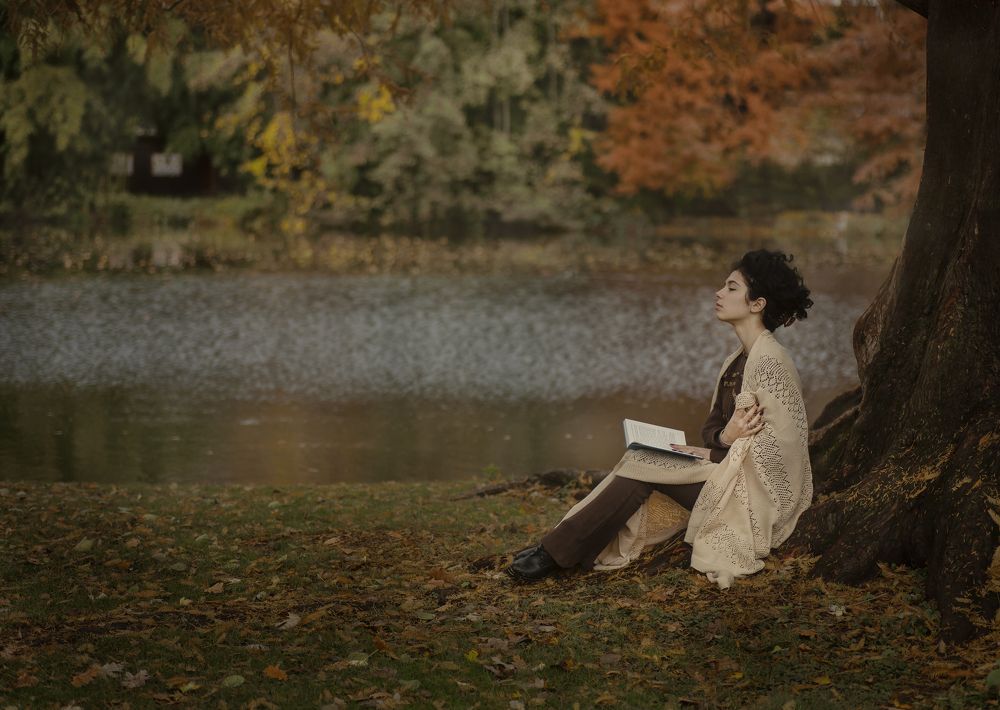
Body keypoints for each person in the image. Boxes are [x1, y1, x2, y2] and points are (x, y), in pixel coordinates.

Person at [505, 249, 815, 588]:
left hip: (749, 498)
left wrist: (714, 451)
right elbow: (713, 429)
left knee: (641, 466)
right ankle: (556, 549)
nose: (718, 293)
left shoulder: (771, 363)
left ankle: (552, 554)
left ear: (757, 304)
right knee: (640, 458)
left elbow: (779, 457)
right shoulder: (736, 360)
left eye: (731, 288)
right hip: (724, 472)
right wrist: (720, 442)